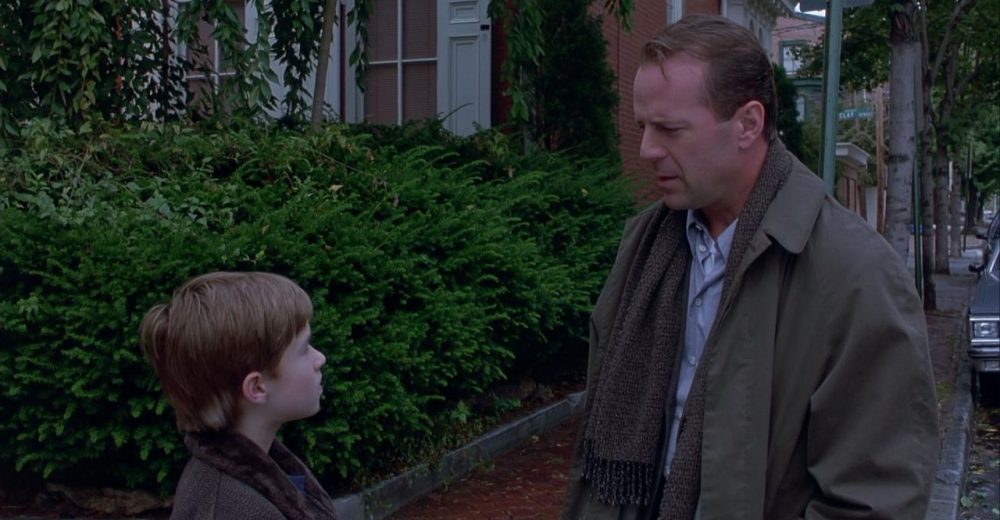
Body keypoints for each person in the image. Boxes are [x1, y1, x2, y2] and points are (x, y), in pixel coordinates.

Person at [563, 14, 938, 520]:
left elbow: (875, 499)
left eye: (670, 129)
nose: (648, 150)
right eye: (642, 128)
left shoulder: (855, 275)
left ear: (748, 124)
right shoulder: (644, 248)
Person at [139, 271, 337, 520]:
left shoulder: (250, 474)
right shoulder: (230, 509)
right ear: (257, 387)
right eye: (303, 349)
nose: (320, 358)